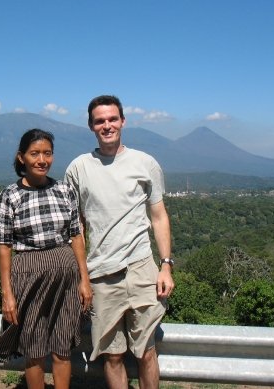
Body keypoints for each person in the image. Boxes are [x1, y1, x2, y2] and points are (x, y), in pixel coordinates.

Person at [64, 95, 175, 389]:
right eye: (100, 121)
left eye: (112, 119)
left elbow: (159, 216)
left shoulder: (145, 163)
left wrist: (165, 266)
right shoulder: (78, 168)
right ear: (91, 126)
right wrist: (81, 276)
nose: (107, 125)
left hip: (141, 269)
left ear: (123, 121)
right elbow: (76, 227)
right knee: (112, 357)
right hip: (101, 275)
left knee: (146, 352)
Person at [0, 128, 92, 389]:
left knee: (62, 347)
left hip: (66, 277)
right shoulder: (10, 195)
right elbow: (4, 247)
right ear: (21, 158)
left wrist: (84, 279)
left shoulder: (65, 191)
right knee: (34, 349)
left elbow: (76, 236)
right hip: (29, 276)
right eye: (35, 154)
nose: (42, 160)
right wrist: (7, 294)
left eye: (47, 153)